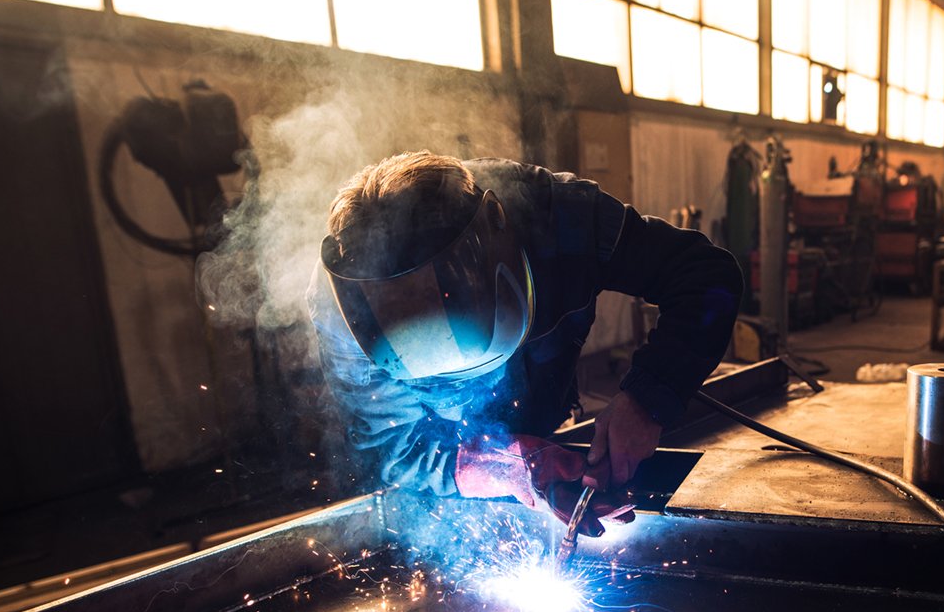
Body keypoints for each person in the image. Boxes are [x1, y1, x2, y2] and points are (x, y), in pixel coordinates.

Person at [307, 151, 742, 537]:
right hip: (462, 467)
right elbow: (392, 450)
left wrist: (649, 398)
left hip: (547, 406)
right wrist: (511, 468)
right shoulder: (344, 314)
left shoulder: (560, 217)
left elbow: (705, 276)